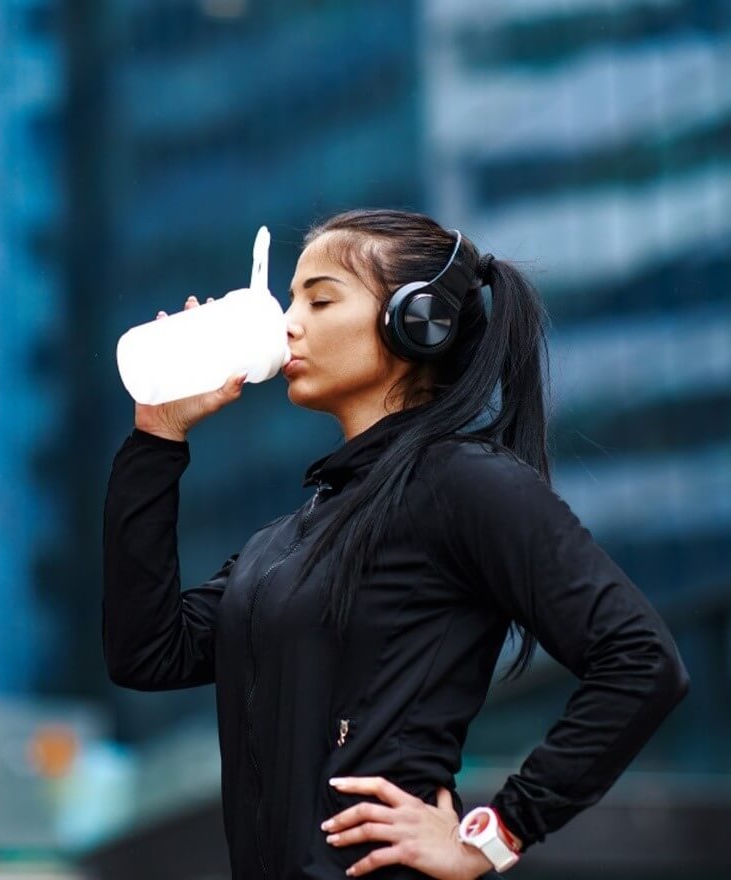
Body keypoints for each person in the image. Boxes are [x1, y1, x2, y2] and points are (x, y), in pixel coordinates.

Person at [103, 208, 690, 880]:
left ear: (419, 321)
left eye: (319, 299)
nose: (288, 322)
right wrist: (156, 438)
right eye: (291, 298)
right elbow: (147, 653)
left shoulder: (463, 483)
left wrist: (497, 833)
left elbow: (640, 661)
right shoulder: (288, 541)